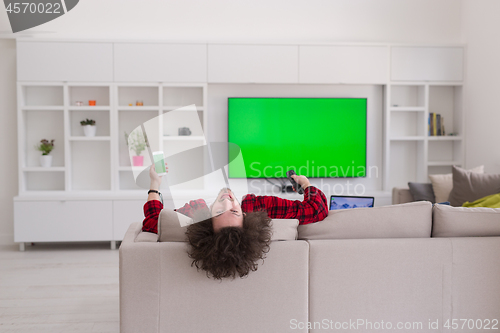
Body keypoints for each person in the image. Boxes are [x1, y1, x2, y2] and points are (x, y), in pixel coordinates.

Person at [143, 163, 328, 280]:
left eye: (218, 212)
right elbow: (316, 210)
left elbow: (154, 222)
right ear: (245, 215)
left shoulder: (195, 212)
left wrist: (155, 183)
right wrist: (305, 183)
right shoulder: (258, 207)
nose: (226, 199)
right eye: (234, 210)